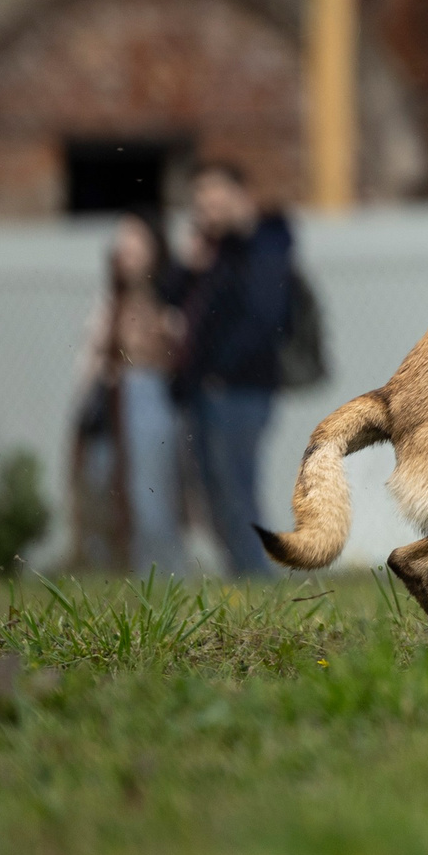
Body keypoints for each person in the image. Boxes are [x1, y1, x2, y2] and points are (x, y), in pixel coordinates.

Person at [177, 160, 292, 576]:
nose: (207, 211)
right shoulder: (214, 251)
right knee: (213, 489)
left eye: (215, 199)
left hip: (242, 387)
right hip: (208, 388)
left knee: (235, 487)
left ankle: (258, 579)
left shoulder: (265, 242)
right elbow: (176, 298)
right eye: (200, 203)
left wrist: (221, 370)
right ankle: (241, 576)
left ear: (238, 196)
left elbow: (265, 317)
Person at [72, 209, 188, 574]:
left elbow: (170, 353)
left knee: (150, 499)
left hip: (149, 401)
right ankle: (108, 580)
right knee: (99, 491)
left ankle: (160, 577)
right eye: (121, 240)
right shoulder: (110, 301)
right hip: (107, 410)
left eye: (135, 240)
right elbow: (91, 361)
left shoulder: (170, 299)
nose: (125, 248)